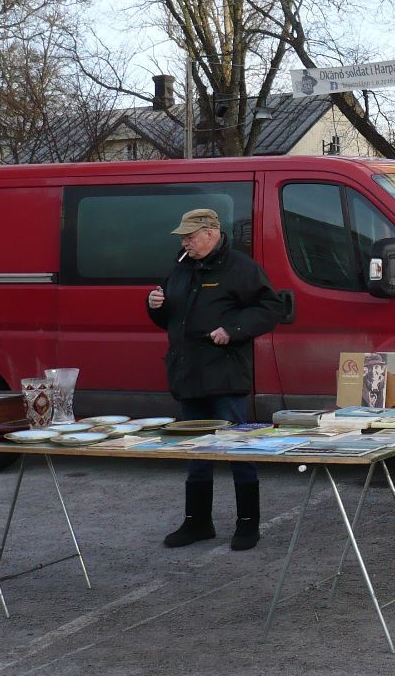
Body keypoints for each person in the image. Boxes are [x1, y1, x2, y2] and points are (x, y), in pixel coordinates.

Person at [147, 208, 285, 551]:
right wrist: (154, 305)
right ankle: (197, 522)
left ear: (210, 233)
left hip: (225, 374)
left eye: (190, 236)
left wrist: (234, 330)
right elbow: (169, 317)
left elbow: (270, 308)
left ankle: (247, 524)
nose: (185, 242)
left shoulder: (240, 267)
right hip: (188, 372)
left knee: (237, 449)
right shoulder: (181, 265)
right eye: (183, 237)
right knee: (196, 451)